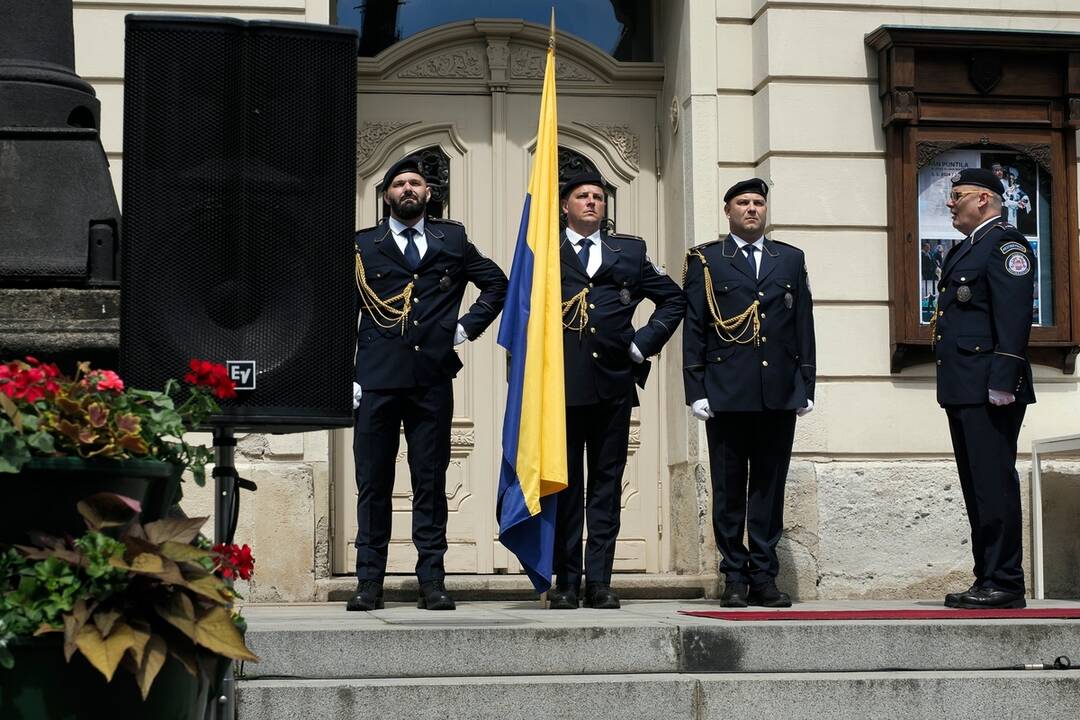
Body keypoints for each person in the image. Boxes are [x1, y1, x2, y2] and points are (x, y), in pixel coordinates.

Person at [348, 155, 507, 612]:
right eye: (398, 184)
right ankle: (368, 581)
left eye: (415, 183)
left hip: (431, 379)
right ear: (386, 196)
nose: (407, 190)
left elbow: (495, 284)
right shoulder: (363, 245)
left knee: (430, 482)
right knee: (373, 484)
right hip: (376, 380)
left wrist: (463, 329)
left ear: (428, 194)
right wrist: (347, 378)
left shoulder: (450, 239)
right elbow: (342, 314)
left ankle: (432, 580)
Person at [548, 172, 686, 610]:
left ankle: (600, 581)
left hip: (613, 385)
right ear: (565, 205)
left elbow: (673, 299)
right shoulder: (543, 248)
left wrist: (642, 344)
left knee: (606, 486)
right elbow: (524, 311)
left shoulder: (630, 250)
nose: (591, 202)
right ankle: (567, 580)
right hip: (561, 388)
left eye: (598, 197)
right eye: (582, 197)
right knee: (565, 488)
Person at [682, 178, 816, 608]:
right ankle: (734, 576)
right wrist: (695, 387)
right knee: (728, 487)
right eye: (743, 203)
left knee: (768, 488)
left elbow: (803, 327)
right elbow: (695, 326)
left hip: (776, 391)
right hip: (726, 391)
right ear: (728, 211)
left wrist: (806, 383)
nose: (753, 209)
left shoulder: (790, 259)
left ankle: (764, 575)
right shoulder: (707, 259)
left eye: (759, 203)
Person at [935, 167, 1035, 609]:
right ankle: (987, 576)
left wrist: (1003, 380)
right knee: (977, 486)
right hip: (963, 385)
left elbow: (1013, 318)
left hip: (991, 388)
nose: (950, 203)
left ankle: (1007, 581)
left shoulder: (1005, 244)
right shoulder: (966, 250)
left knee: (993, 483)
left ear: (984, 199)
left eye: (958, 195)